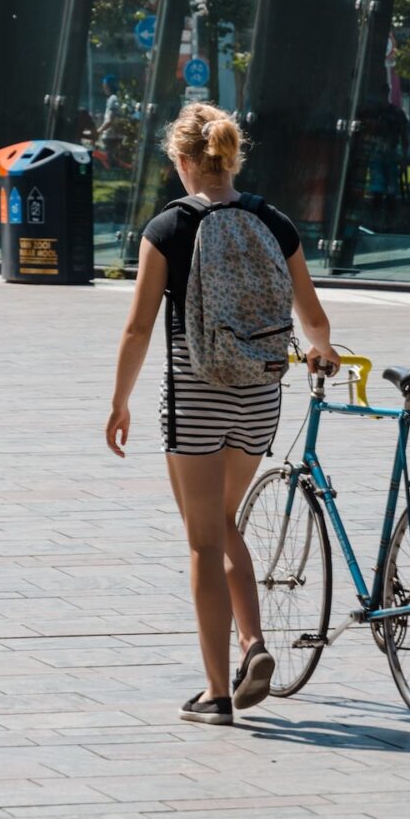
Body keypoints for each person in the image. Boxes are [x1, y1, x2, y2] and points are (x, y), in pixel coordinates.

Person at [105, 102, 340, 726]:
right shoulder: (273, 220)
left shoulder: (168, 229)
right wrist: (322, 350)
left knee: (203, 540)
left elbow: (137, 329)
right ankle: (251, 645)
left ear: (182, 162)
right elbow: (311, 315)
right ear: (231, 157)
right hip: (260, 394)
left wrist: (119, 400)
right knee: (225, 521)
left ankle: (217, 691)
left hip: (196, 395)